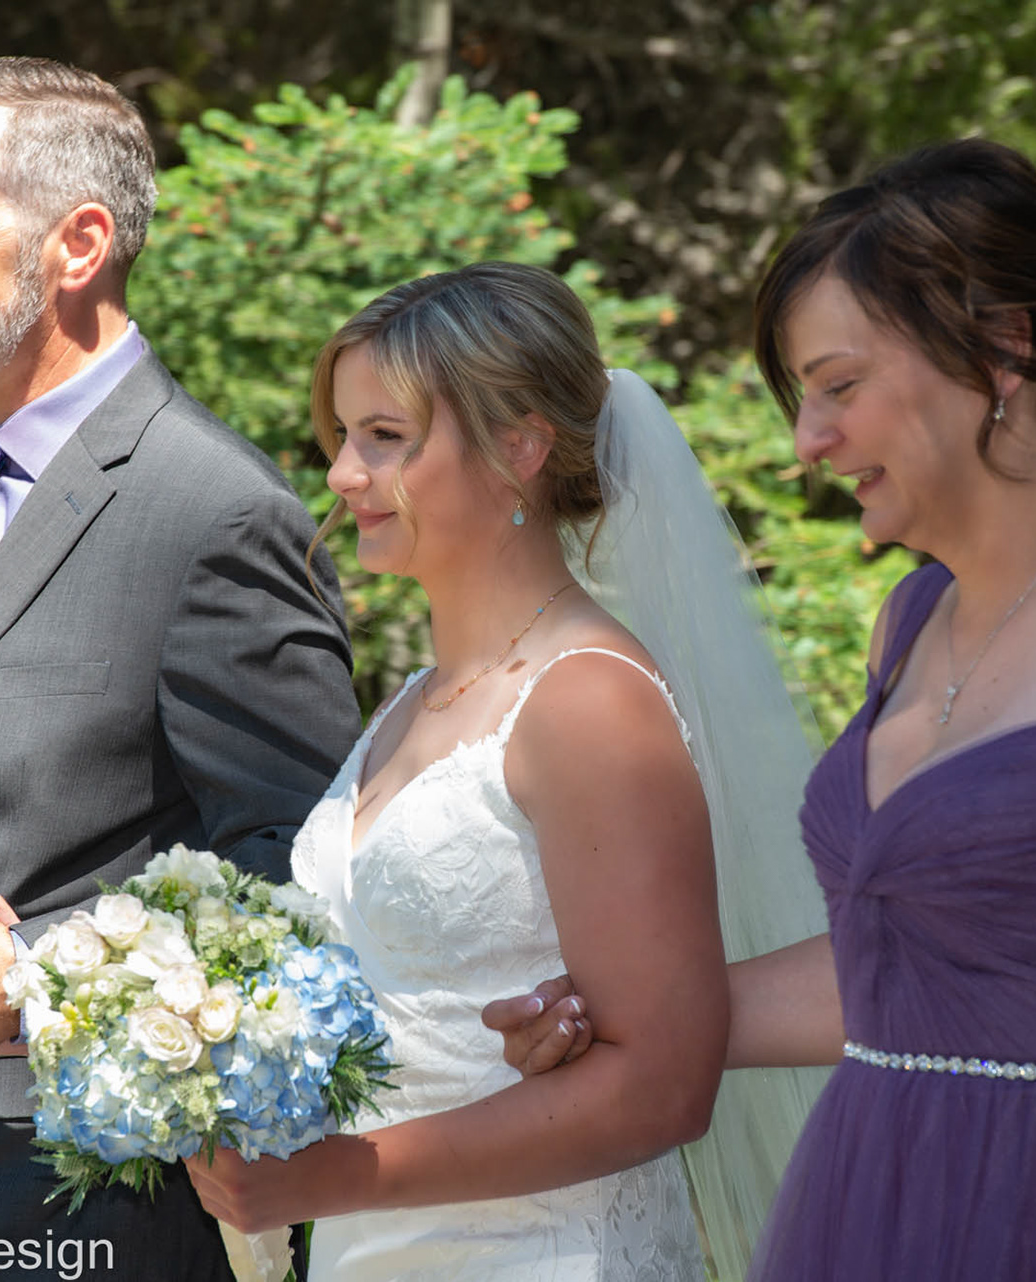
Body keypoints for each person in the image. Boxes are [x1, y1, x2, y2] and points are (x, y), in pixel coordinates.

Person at [489, 138, 1036, 1280]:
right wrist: (612, 1010)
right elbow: (914, 968)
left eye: (841, 386)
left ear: (1001, 347)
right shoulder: (910, 621)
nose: (809, 443)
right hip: (876, 1201)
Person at [174, 260, 829, 1280]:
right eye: (342, 438)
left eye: (385, 439)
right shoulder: (407, 705)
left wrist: (340, 1175)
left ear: (518, 447)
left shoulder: (587, 700)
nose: (344, 476)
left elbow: (663, 1085)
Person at [0, 58, 360, 1281]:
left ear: (78, 243)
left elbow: (307, 881)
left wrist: (30, 984)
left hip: (92, 1224)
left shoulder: (214, 514)